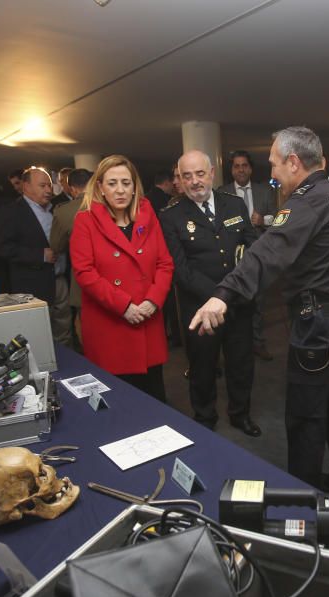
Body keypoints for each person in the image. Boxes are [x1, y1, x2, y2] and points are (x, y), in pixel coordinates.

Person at [188, 126, 329, 502]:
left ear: (295, 162)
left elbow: (268, 251)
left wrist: (223, 295)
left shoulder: (307, 201)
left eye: (274, 164)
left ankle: (303, 495)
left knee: (306, 413)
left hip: (317, 325)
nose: (272, 173)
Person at [162, 150, 262, 436]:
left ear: (212, 174)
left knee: (241, 364)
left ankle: (240, 414)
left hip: (239, 304)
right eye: (187, 176)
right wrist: (219, 296)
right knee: (202, 366)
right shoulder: (171, 216)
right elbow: (181, 270)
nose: (195, 181)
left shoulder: (235, 204)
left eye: (200, 173)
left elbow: (251, 248)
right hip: (199, 308)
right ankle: (205, 418)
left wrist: (229, 295)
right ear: (179, 180)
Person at [71, 155, 174, 400]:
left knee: (153, 399)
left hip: (147, 320)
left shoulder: (148, 216)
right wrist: (124, 306)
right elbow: (85, 273)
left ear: (134, 187)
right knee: (119, 405)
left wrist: (153, 300)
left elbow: (165, 264)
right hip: (111, 326)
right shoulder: (85, 221)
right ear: (100, 188)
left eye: (126, 183)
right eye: (113, 183)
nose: (120, 190)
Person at [218, 150, 278, 361]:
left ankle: (258, 343)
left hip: (259, 250)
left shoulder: (265, 191)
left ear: (250, 168)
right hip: (232, 255)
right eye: (236, 166)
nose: (241, 169)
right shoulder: (222, 192)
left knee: (258, 301)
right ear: (231, 170)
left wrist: (263, 221)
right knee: (234, 299)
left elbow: (278, 218)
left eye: (244, 165)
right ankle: (237, 347)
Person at [0, 167, 58, 305]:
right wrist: (40, 255)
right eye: (43, 186)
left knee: (64, 324)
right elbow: (3, 248)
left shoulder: (55, 208)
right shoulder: (11, 212)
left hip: (60, 282)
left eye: (49, 185)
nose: (48, 190)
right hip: (34, 286)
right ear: (26, 187)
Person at [49, 168, 92, 347]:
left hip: (83, 277)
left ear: (72, 188)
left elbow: (56, 246)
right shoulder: (111, 205)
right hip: (115, 275)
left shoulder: (64, 212)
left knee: (88, 326)